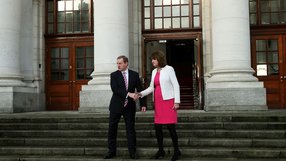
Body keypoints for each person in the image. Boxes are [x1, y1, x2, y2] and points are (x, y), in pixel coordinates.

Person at [138, 51, 181, 161]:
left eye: (154, 59)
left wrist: (177, 102)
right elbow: (152, 87)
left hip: (168, 101)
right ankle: (161, 150)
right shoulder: (153, 72)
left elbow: (176, 85)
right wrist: (140, 94)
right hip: (158, 102)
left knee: (171, 127)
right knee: (157, 127)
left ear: (160, 59)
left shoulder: (169, 69)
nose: (152, 61)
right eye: (151, 59)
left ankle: (177, 151)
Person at [104, 55, 146, 160]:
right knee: (112, 129)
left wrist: (143, 104)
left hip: (129, 107)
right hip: (116, 106)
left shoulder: (134, 75)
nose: (118, 65)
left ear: (126, 63)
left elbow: (140, 90)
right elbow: (115, 89)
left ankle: (132, 152)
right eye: (117, 63)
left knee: (130, 129)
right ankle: (111, 151)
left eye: (120, 63)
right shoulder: (113, 75)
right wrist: (129, 94)